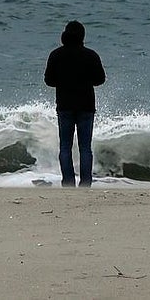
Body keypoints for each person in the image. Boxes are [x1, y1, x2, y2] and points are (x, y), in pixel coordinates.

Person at [43, 20, 106, 187]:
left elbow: (49, 80)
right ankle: (85, 183)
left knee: (65, 147)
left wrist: (63, 81)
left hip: (64, 105)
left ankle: (68, 182)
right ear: (82, 36)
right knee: (85, 148)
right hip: (86, 105)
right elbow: (100, 79)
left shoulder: (56, 55)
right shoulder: (91, 55)